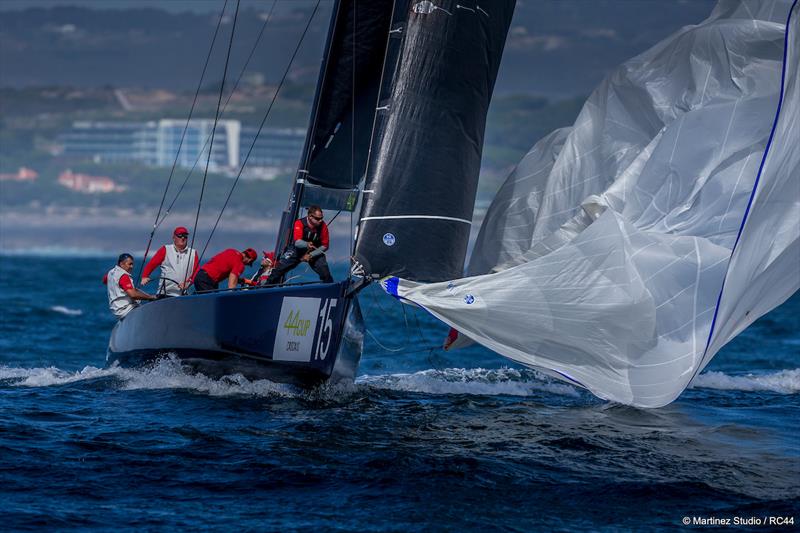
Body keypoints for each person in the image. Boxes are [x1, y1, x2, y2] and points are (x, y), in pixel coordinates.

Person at [267, 206, 333, 285]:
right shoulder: (299, 223)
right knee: (279, 269)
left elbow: (325, 245)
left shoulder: (323, 226)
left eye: (322, 218)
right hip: (297, 249)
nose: (321, 220)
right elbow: (297, 242)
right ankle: (266, 286)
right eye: (318, 218)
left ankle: (329, 287)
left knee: (325, 272)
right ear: (310, 216)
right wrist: (306, 244)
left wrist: (311, 255)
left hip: (314, 250)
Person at [140, 226, 198, 296]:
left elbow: (196, 271)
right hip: (165, 292)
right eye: (180, 235)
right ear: (174, 238)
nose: (183, 238)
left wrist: (188, 282)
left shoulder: (193, 253)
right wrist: (145, 276)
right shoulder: (166, 249)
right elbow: (152, 264)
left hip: (183, 294)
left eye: (185, 236)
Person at [104, 253, 156, 319]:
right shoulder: (124, 276)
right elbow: (133, 295)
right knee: (151, 311)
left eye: (132, 264)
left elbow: (105, 280)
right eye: (129, 264)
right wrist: (150, 297)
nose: (132, 266)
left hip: (116, 311)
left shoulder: (110, 272)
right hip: (126, 310)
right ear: (121, 264)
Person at [192, 248, 258, 292]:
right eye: (249, 263)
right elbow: (231, 284)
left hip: (200, 275)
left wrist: (243, 281)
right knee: (213, 303)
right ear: (250, 260)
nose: (247, 265)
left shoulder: (231, 251)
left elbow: (227, 271)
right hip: (207, 280)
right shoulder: (240, 264)